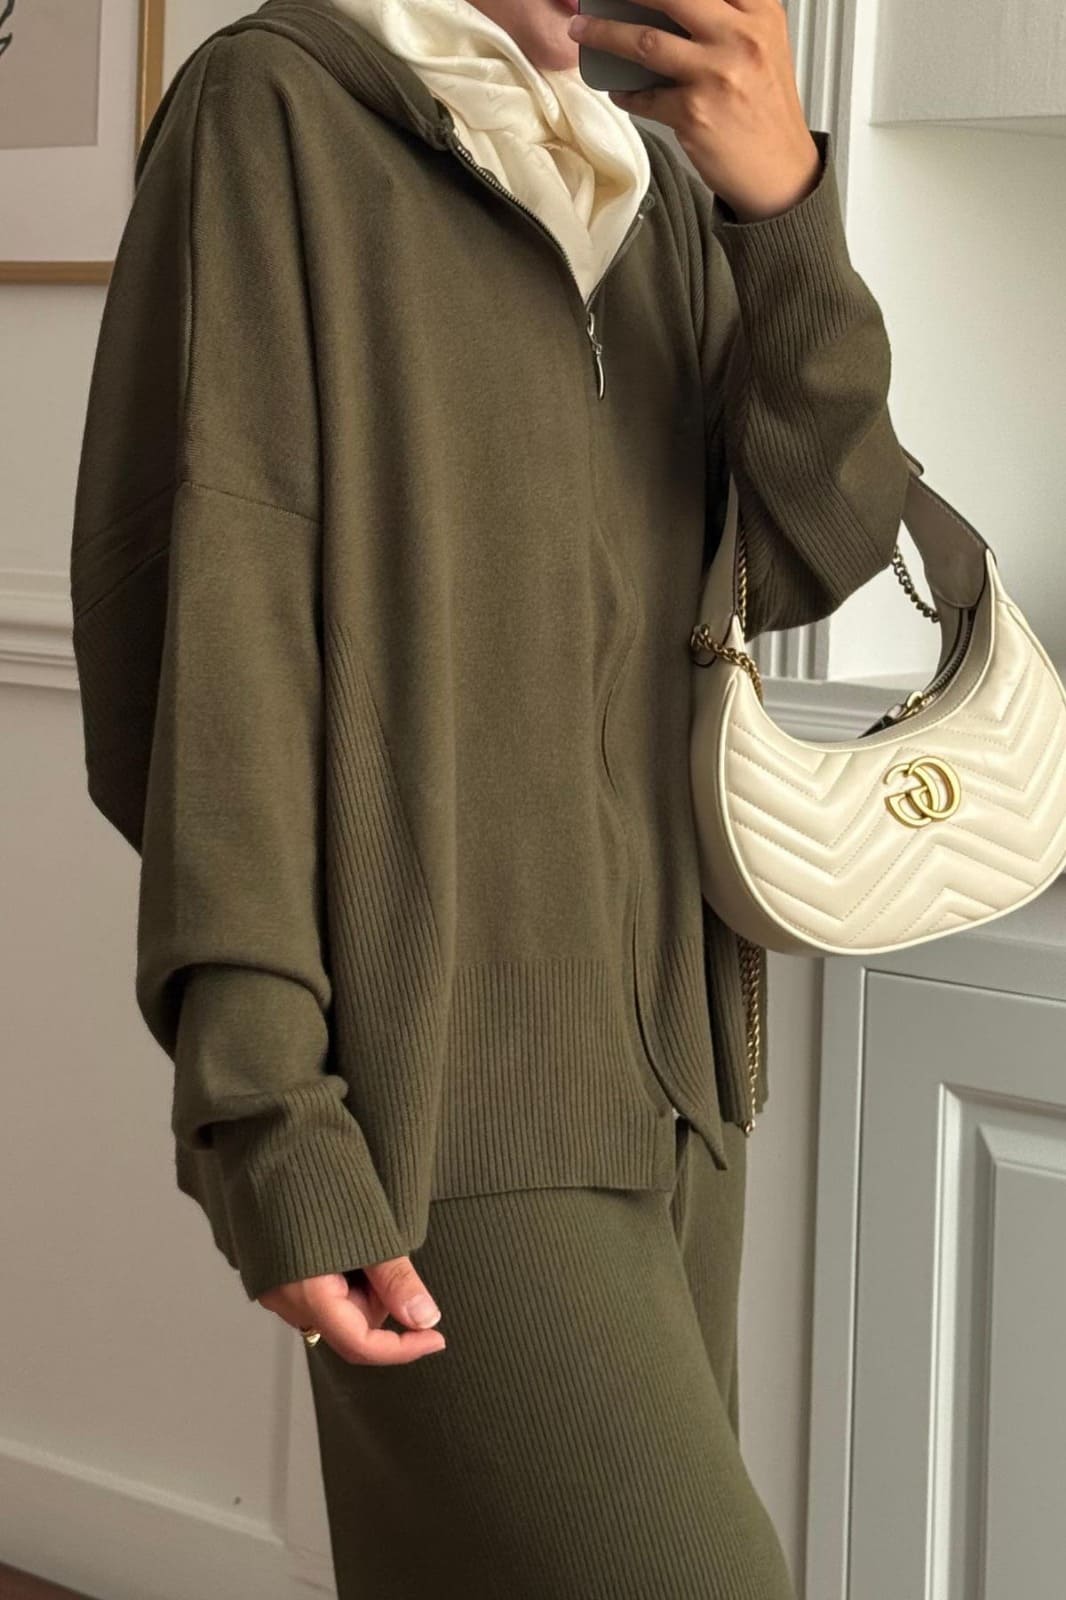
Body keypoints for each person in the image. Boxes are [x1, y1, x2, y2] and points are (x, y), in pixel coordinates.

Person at [69, 0, 911, 1593]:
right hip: (436, 1082)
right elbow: (211, 645)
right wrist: (266, 1117)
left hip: (681, 1078)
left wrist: (780, 206)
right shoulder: (277, 110)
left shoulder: (652, 181)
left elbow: (819, 543)